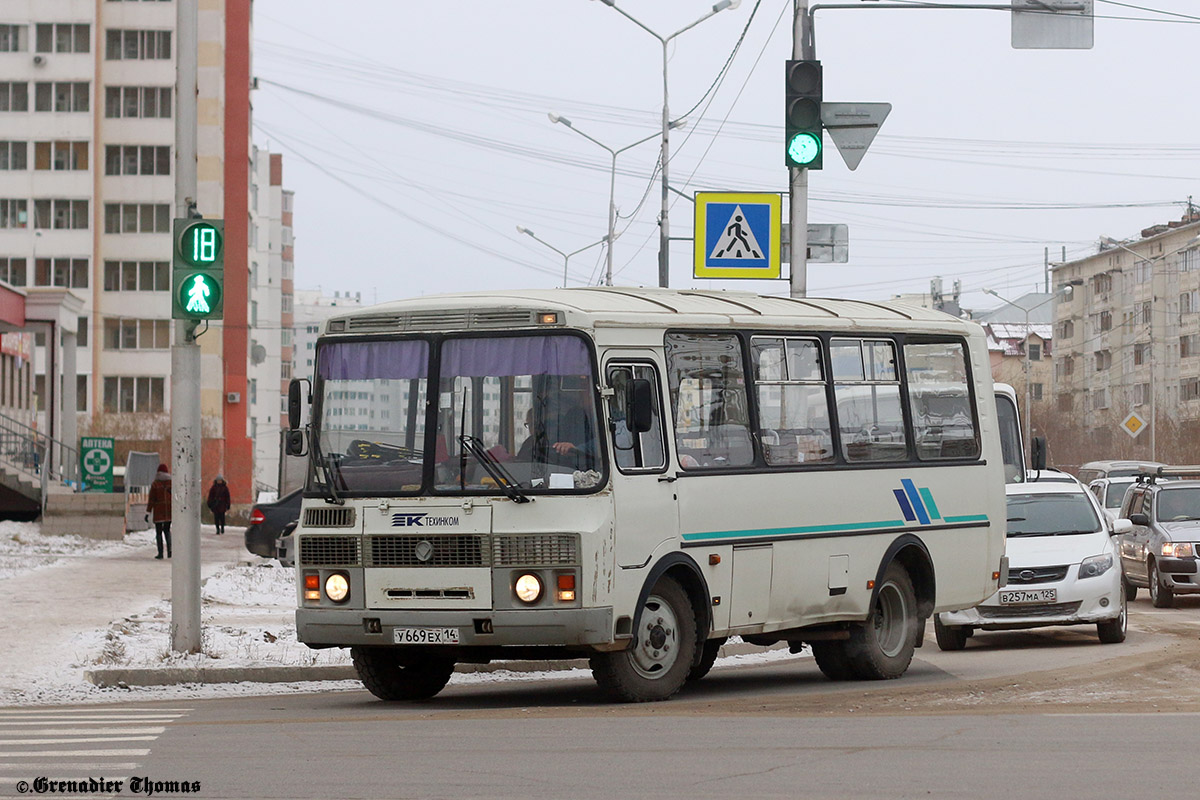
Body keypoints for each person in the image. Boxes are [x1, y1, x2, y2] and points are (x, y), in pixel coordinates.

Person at [147, 463, 172, 559]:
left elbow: (151, 499)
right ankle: (170, 551)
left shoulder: (155, 484)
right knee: (167, 530)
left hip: (158, 511)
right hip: (169, 510)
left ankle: (160, 553)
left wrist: (148, 512)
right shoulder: (171, 483)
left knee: (158, 532)